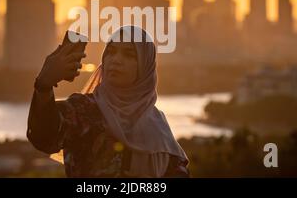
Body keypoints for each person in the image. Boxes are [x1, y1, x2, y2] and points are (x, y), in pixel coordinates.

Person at [27, 26, 189, 177]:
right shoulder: (83, 110)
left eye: (129, 54)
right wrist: (44, 86)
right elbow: (45, 138)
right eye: (111, 52)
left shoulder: (157, 126)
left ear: (145, 65)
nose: (116, 59)